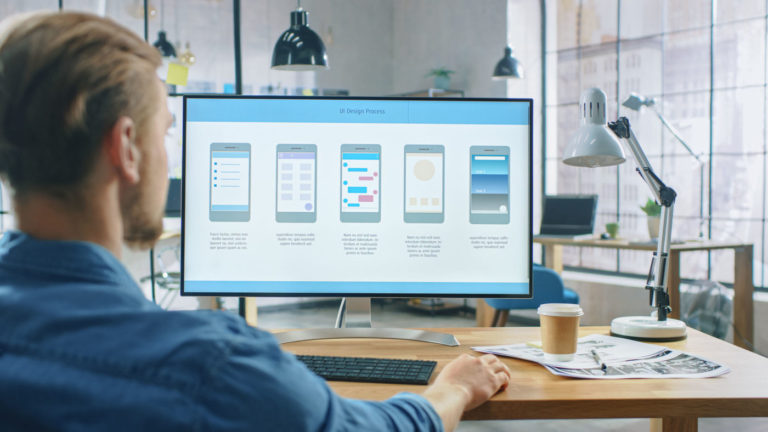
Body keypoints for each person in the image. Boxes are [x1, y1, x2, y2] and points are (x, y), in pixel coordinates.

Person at [0, 12, 511, 431]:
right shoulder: (212, 364)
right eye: (165, 135)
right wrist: (456, 389)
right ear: (126, 147)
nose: (170, 157)